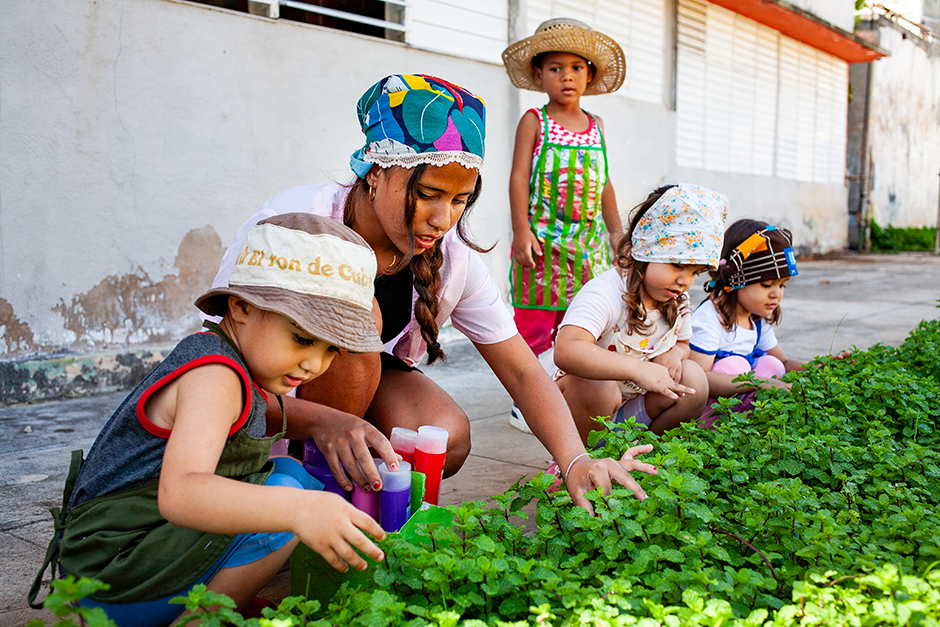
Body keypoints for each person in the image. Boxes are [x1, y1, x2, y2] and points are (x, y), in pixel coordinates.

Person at [210, 74, 655, 513]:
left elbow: (521, 369)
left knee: (445, 433)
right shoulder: (293, 226)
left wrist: (576, 459)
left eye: (460, 200)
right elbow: (215, 364)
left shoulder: (453, 257)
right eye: (427, 194)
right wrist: (324, 421)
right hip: (260, 398)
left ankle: (367, 494)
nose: (443, 219)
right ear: (376, 171)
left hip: (359, 381)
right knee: (355, 310)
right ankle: (316, 484)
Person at [29, 214, 390, 625]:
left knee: (288, 473)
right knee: (285, 502)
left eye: (332, 350)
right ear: (240, 307)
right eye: (303, 338)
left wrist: (329, 423)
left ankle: (212, 602)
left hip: (121, 553)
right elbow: (181, 494)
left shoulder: (227, 361)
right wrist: (299, 510)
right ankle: (200, 619)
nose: (314, 363)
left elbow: (259, 414)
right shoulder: (215, 377)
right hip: (110, 576)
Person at [501, 18, 626, 432]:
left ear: (589, 75)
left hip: (587, 245)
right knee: (535, 322)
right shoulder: (535, 121)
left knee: (581, 321)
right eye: (555, 68)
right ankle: (527, 398)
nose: (566, 76)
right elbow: (519, 177)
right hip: (542, 242)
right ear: (539, 75)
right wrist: (521, 230)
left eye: (576, 67)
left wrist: (616, 232)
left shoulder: (597, 126)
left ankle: (565, 391)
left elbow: (604, 182)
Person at [553, 184, 727, 442]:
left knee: (694, 380)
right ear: (646, 249)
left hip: (632, 410)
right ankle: (580, 460)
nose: (685, 281)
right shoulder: (606, 293)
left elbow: (683, 343)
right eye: (678, 265)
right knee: (596, 386)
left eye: (695, 272)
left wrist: (675, 355)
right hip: (584, 410)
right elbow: (567, 350)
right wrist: (636, 369)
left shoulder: (677, 300)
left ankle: (643, 450)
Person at [688, 219, 804, 426]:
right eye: (766, 284)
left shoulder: (755, 319)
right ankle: (708, 432)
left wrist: (819, 367)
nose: (776, 294)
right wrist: (758, 383)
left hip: (736, 413)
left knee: (772, 364)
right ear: (737, 280)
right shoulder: (710, 318)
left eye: (782, 286)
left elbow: (784, 364)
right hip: (701, 414)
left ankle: (743, 428)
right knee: (736, 365)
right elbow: (699, 380)